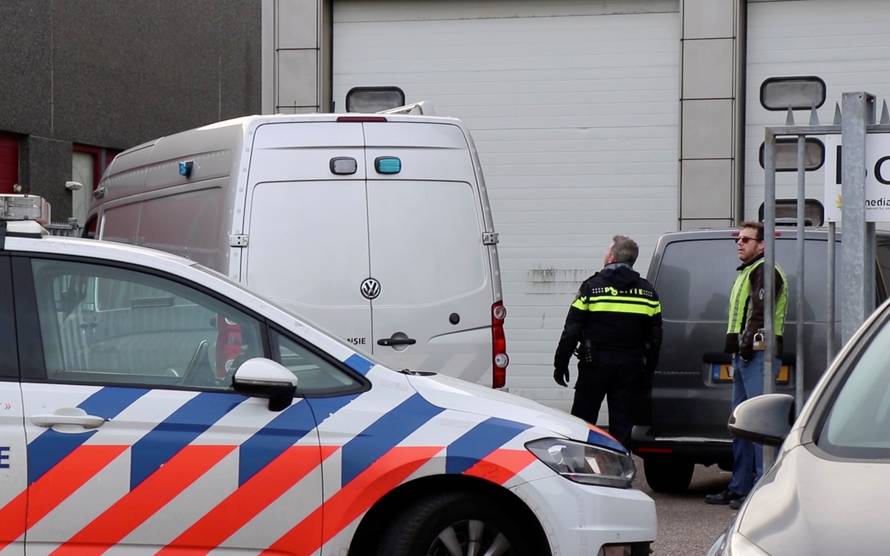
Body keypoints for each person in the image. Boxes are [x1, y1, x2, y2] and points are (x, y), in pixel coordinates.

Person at [705, 221, 787, 510]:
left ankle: (761, 491)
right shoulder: (748, 271)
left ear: (762, 244)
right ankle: (739, 487)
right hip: (744, 356)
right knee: (741, 424)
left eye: (746, 239)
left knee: (760, 425)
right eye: (738, 239)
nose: (739, 243)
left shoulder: (766, 271)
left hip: (758, 356)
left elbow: (760, 314)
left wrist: (746, 347)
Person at [553, 235, 662, 449]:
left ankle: (579, 464)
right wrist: (647, 372)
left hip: (594, 366)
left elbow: (571, 330)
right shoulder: (648, 293)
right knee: (622, 426)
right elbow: (656, 338)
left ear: (611, 257)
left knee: (583, 423)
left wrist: (560, 363)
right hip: (630, 369)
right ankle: (618, 465)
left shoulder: (591, 288)